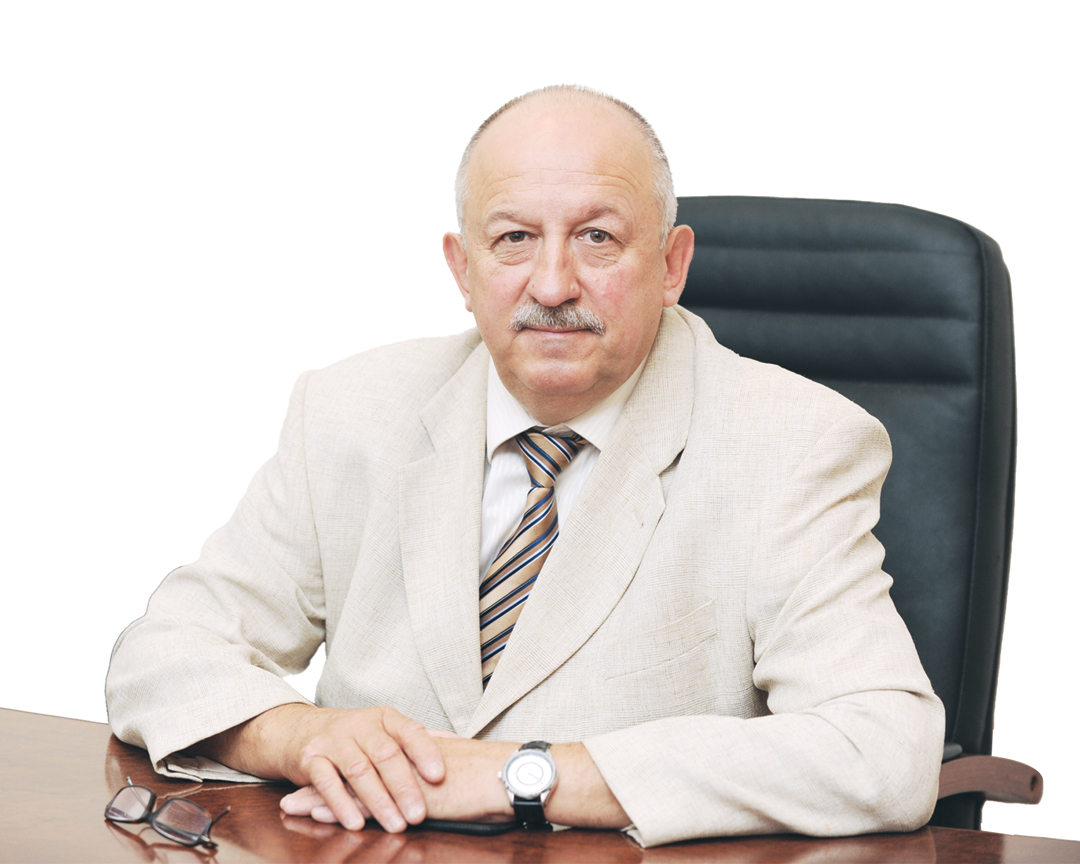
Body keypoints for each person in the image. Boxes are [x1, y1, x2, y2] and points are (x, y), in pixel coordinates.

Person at [106, 85, 945, 848]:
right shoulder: (350, 411)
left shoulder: (793, 444)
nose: (552, 284)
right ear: (463, 269)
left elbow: (884, 750)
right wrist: (299, 734)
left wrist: (525, 776)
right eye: (514, 239)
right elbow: (161, 653)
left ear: (671, 266)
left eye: (597, 238)